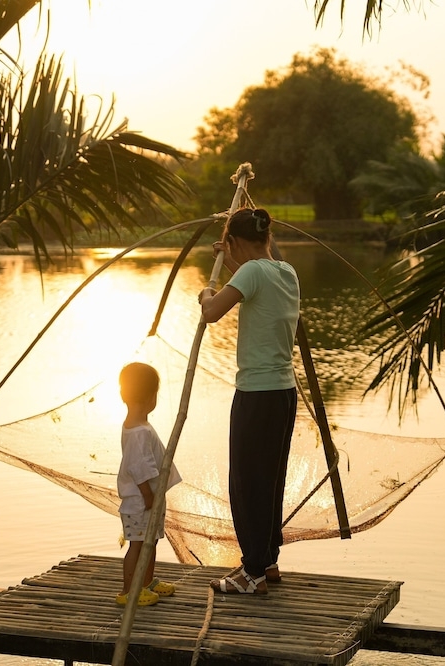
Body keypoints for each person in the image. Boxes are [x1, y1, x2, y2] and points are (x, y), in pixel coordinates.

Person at [198, 207, 300, 595]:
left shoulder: (252, 273)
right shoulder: (285, 272)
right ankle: (267, 561)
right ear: (267, 238)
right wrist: (229, 264)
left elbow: (211, 312)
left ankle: (251, 573)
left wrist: (206, 292)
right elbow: (252, 283)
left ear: (235, 242)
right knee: (269, 480)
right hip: (283, 393)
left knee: (247, 482)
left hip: (256, 394)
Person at [116, 361, 182, 606]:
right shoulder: (139, 432)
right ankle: (128, 591)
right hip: (140, 502)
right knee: (137, 545)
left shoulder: (137, 426)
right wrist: (148, 495)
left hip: (148, 499)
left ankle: (145, 583)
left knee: (150, 542)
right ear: (150, 398)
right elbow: (139, 468)